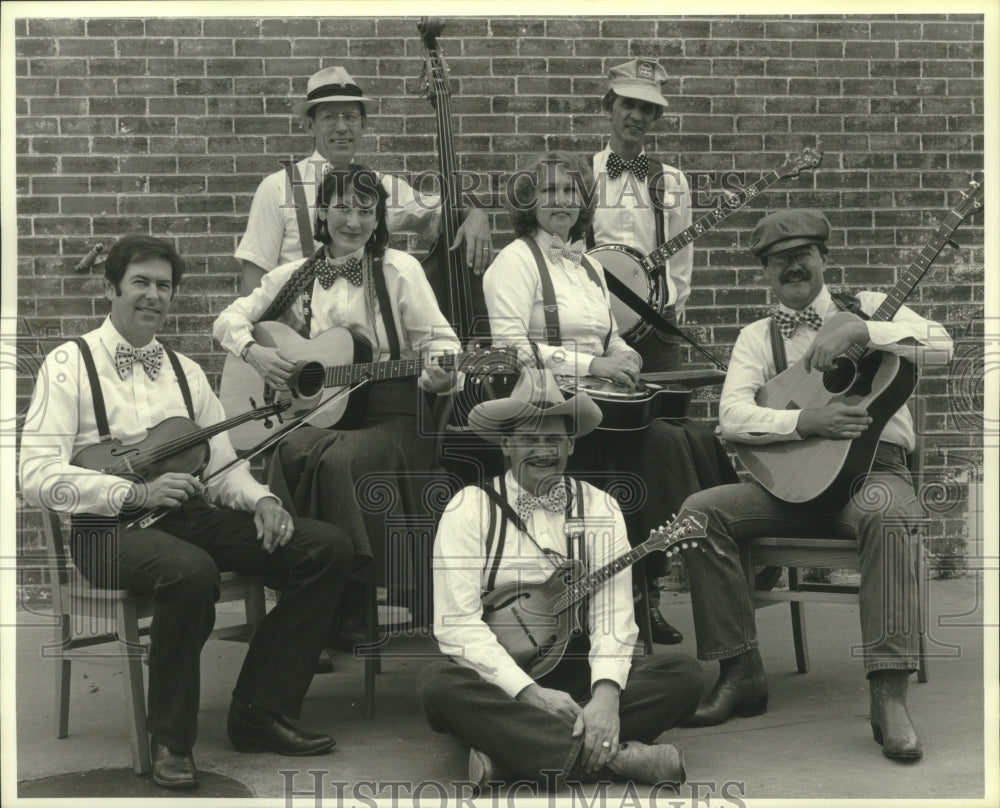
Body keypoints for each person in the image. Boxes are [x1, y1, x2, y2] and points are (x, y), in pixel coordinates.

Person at [18, 235, 353, 790]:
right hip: (107, 530)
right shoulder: (67, 365)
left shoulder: (187, 372)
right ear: (112, 288)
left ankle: (259, 711)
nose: (153, 296)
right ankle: (171, 739)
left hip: (186, 517)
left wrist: (263, 500)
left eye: (164, 287)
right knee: (189, 571)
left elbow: (222, 468)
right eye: (141, 283)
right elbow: (34, 476)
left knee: (325, 548)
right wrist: (129, 493)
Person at [679, 209, 953, 760]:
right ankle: (740, 674)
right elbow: (731, 417)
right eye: (778, 260)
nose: (792, 266)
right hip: (788, 489)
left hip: (872, 479)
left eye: (802, 253)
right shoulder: (756, 337)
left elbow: (942, 346)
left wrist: (863, 330)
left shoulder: (874, 306)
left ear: (823, 258)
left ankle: (888, 696)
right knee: (699, 512)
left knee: (891, 515)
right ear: (765, 272)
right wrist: (805, 422)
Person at [483, 150, 738, 645]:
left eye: (570, 191)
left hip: (605, 407)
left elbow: (611, 334)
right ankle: (657, 577)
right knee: (660, 446)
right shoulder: (513, 261)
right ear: (529, 201)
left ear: (584, 200)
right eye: (549, 191)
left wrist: (625, 355)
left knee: (689, 437)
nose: (561, 201)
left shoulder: (589, 267)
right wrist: (591, 365)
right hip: (546, 411)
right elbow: (509, 348)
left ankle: (663, 571)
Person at [214, 163, 461, 656]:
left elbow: (441, 341)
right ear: (322, 213)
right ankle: (313, 597)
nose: (353, 221)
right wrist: (255, 353)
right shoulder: (294, 275)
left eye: (365, 210)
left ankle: (349, 598)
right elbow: (228, 319)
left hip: (396, 416)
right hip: (328, 412)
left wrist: (443, 370)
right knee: (296, 446)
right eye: (342, 207)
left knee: (338, 458)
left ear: (378, 217)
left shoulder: (398, 269)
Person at [418, 368, 702, 791]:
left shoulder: (601, 507)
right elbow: (456, 624)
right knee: (437, 686)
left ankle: (512, 756)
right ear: (506, 444)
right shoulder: (468, 508)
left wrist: (605, 698)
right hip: (501, 679)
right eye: (530, 438)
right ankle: (617, 759)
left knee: (684, 675)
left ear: (571, 443)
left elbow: (613, 614)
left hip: (576, 666)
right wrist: (530, 694)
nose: (543, 450)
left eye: (553, 438)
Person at [235, 65, 491, 296]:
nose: (342, 127)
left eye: (350, 116)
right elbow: (253, 281)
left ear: (363, 124)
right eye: (329, 117)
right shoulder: (277, 188)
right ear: (310, 125)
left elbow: (441, 210)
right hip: (302, 341)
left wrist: (475, 212)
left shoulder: (383, 187)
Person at [588, 59, 693, 374]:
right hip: (596, 321)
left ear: (656, 116)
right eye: (627, 104)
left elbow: (682, 258)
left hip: (658, 324)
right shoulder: (581, 175)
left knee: (666, 409)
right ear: (610, 107)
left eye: (646, 108)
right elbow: (556, 247)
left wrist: (671, 309)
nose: (636, 115)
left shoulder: (673, 180)